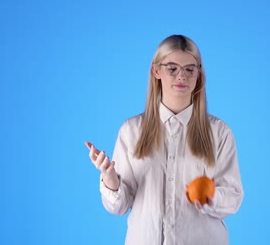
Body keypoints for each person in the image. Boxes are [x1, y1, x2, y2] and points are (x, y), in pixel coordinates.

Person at [85, 35, 243, 245]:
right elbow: (119, 206)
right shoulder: (131, 132)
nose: (182, 76)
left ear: (199, 74)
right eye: (172, 68)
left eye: (189, 69)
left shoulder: (219, 133)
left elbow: (233, 199)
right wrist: (110, 178)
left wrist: (209, 194)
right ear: (156, 71)